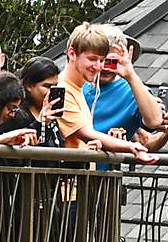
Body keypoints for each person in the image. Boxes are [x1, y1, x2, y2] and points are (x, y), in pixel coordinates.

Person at [54, 24, 158, 161]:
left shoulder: (76, 87)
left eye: (104, 61)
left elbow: (155, 121)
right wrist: (129, 147)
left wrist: (130, 74)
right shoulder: (60, 89)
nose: (99, 66)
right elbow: (86, 133)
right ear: (72, 54)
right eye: (92, 59)